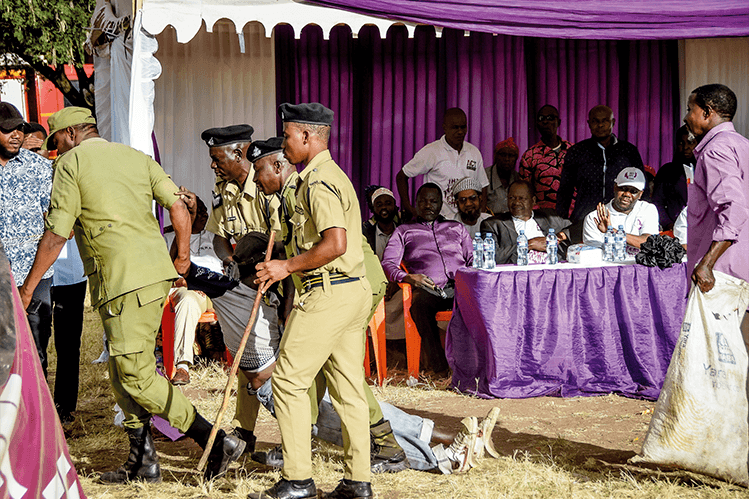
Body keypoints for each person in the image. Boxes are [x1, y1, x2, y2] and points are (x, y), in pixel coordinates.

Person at [17, 107, 244, 483]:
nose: (55, 152)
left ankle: (214, 440)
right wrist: (182, 257)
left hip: (122, 280)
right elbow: (180, 205)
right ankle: (143, 459)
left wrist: (27, 289)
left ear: (72, 133)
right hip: (150, 275)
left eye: (56, 143)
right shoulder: (136, 157)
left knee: (136, 375)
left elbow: (58, 234)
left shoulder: (71, 164)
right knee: (121, 368)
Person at [249, 137, 408, 476]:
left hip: (347, 281)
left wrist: (285, 267)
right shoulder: (288, 194)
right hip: (332, 285)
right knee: (335, 371)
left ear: (277, 166)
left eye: (259, 171)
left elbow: (325, 249)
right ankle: (355, 463)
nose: (256, 180)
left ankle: (312, 458)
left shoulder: (302, 187)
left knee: (304, 375)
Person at [252, 103, 374, 499]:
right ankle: (358, 482)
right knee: (348, 390)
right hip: (349, 290)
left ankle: (299, 480)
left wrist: (286, 266)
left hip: (328, 290)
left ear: (307, 136)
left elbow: (334, 243)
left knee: (287, 381)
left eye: (287, 136)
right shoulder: (328, 176)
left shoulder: (319, 181)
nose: (284, 144)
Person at [201, 124, 281, 453]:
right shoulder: (225, 188)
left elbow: (284, 243)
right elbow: (219, 235)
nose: (212, 165)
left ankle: (297, 436)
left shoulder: (269, 185)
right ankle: (245, 433)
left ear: (238, 153)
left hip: (279, 280)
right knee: (249, 358)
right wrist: (230, 259)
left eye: (217, 158)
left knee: (274, 367)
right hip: (248, 282)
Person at [21, 121, 88, 424]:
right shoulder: (18, 181)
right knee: (37, 339)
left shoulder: (66, 173)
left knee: (68, 341)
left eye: (40, 146)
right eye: (29, 147)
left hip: (70, 270)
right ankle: (41, 407)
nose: (36, 152)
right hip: (39, 272)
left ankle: (65, 407)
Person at [381, 183, 473, 375]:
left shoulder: (456, 227)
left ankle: (475, 365)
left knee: (481, 301)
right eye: (423, 201)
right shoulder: (404, 231)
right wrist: (407, 277)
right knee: (419, 304)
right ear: (416, 203)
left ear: (441, 204)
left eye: (433, 201)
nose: (428, 205)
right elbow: (388, 263)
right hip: (430, 289)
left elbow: (473, 258)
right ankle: (440, 369)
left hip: (460, 286)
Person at [682, 84, 748, 334]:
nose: (687, 117)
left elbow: (734, 209)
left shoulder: (715, 150)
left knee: (722, 359)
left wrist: (707, 263)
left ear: (707, 112)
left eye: (690, 109)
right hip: (740, 268)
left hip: (724, 273)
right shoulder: (742, 144)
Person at [0, 103, 54, 376]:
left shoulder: (39, 167)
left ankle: (38, 414)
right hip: (1, 277)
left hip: (35, 272)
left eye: (19, 128)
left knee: (36, 347)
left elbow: (55, 222)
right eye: (7, 130)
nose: (16, 135)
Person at [556, 105, 644, 239]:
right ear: (589, 124)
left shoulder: (628, 151)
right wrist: (561, 220)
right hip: (583, 218)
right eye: (595, 121)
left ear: (613, 123)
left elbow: (642, 188)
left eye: (605, 121)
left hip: (621, 219)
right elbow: (565, 190)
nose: (600, 125)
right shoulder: (577, 151)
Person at [163, 195, 222, 385]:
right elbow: (170, 269)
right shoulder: (173, 238)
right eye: (197, 212)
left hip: (214, 290)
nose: (202, 216)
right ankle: (183, 365)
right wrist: (182, 235)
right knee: (187, 300)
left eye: (203, 212)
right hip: (188, 291)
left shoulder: (215, 237)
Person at [396, 108, 488, 220]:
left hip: (467, 220)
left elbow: (483, 185)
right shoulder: (431, 151)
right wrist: (410, 209)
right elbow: (401, 176)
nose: (460, 131)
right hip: (439, 220)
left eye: (463, 127)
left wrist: (480, 214)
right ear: (445, 128)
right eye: (455, 127)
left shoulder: (474, 152)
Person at [481, 180, 570, 265]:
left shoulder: (549, 217)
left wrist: (560, 236)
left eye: (522, 198)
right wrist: (529, 244)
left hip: (551, 274)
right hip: (516, 277)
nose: (516, 202)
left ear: (533, 200)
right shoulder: (493, 224)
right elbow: (489, 256)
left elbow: (576, 229)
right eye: (512, 198)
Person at [582, 167, 659, 252]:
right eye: (623, 188)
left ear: (640, 194)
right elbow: (593, 255)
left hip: (640, 265)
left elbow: (650, 244)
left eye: (633, 191)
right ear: (615, 187)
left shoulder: (647, 210)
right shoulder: (595, 218)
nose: (627, 194)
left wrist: (612, 231)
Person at [519, 105, 574, 211]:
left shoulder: (574, 151)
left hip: (573, 216)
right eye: (541, 118)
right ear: (537, 124)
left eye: (550, 118)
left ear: (559, 122)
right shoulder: (529, 156)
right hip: (543, 218)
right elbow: (525, 193)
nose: (545, 122)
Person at [652, 125, 696, 230]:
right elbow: (657, 202)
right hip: (673, 230)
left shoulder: (706, 170)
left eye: (690, 143)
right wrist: (668, 224)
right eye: (681, 143)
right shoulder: (667, 171)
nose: (685, 147)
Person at [485, 137, 520, 215]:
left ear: (516, 159)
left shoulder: (518, 179)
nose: (507, 159)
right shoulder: (484, 176)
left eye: (511, 156)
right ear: (495, 156)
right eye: (503, 155)